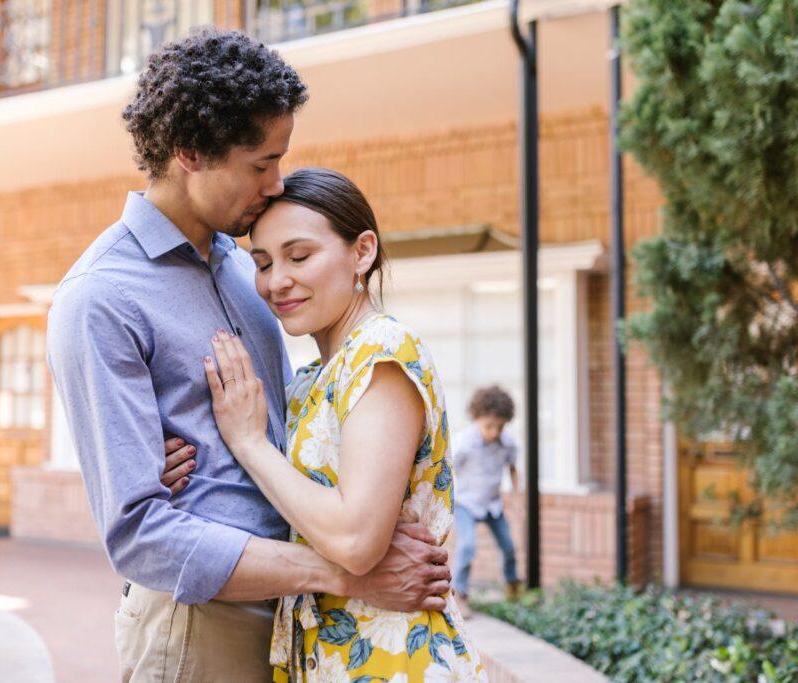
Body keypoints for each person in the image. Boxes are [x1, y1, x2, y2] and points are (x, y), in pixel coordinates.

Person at [46, 30, 451, 682]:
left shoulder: (244, 267)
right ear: (191, 154)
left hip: (303, 613)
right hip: (203, 625)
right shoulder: (99, 299)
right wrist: (345, 571)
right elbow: (139, 535)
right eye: (261, 162)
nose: (277, 181)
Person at [200, 167, 487, 680]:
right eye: (262, 263)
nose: (275, 281)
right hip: (334, 656)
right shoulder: (313, 378)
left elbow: (357, 539)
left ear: (362, 251)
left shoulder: (381, 352)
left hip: (392, 656)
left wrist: (248, 441)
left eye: (299, 255)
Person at [452, 385, 521, 614]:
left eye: (499, 427)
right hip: (465, 503)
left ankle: (513, 588)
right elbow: (447, 467)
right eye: (488, 426)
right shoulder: (464, 443)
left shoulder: (507, 444)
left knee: (509, 546)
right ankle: (459, 594)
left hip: (492, 504)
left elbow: (512, 467)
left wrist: (515, 493)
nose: (494, 432)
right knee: (467, 546)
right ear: (477, 419)